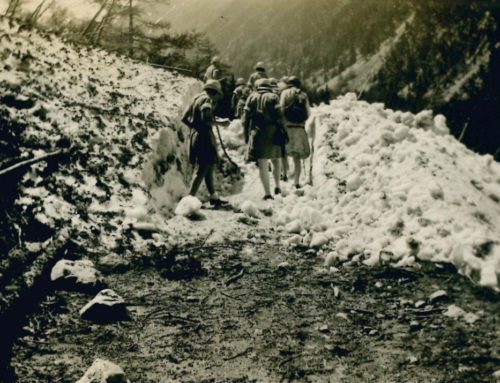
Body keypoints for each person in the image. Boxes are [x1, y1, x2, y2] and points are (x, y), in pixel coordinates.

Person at [181, 79, 227, 206]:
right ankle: (188, 201)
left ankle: (213, 197)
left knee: (208, 166)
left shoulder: (197, 99)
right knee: (202, 169)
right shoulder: (207, 101)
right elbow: (206, 120)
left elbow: (184, 118)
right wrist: (221, 123)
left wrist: (195, 127)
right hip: (204, 138)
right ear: (215, 92)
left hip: (196, 136)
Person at [242, 79, 286, 200]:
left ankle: (267, 193)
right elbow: (280, 116)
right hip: (273, 131)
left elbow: (245, 119)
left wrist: (246, 135)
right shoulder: (274, 97)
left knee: (263, 163)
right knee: (276, 160)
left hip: (257, 132)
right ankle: (277, 186)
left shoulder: (251, 97)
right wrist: (284, 131)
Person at [280, 76, 311, 189]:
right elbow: (308, 113)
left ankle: (284, 175)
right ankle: (296, 182)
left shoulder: (285, 93)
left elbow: (281, 110)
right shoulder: (303, 95)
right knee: (297, 157)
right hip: (299, 129)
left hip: (287, 128)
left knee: (284, 152)